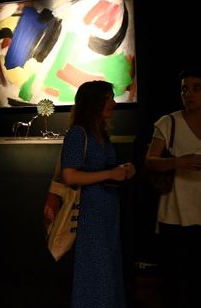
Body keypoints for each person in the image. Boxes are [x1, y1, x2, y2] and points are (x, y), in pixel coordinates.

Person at [145, 67, 201, 308]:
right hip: (175, 212)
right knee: (173, 282)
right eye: (185, 89)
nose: (189, 94)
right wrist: (178, 162)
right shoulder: (169, 122)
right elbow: (149, 160)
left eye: (197, 88)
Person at [60, 80, 136, 308]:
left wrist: (123, 169)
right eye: (109, 98)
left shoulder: (100, 133)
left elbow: (103, 169)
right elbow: (69, 176)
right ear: (94, 103)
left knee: (109, 268)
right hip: (90, 215)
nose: (114, 103)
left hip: (107, 212)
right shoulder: (78, 134)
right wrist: (110, 174)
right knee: (95, 269)